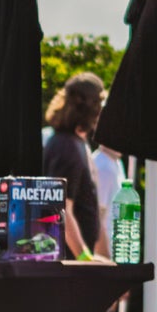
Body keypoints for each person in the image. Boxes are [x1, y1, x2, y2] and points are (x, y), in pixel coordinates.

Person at [41, 71, 116, 260]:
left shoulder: (76, 143)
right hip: (69, 265)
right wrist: (84, 258)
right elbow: (61, 209)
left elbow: (90, 210)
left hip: (76, 262)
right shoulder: (66, 146)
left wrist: (106, 260)